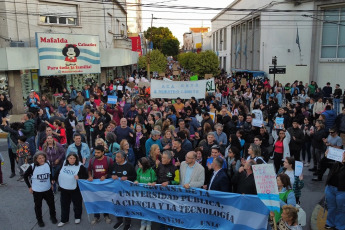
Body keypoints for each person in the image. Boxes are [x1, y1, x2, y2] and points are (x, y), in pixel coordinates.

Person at [23, 152, 57, 227]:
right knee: (38, 206)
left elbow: (50, 174)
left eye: (43, 158)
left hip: (47, 189)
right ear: (36, 159)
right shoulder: (32, 167)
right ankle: (39, 220)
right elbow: (25, 176)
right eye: (40, 158)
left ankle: (53, 216)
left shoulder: (47, 163)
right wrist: (29, 187)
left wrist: (51, 181)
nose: (42, 160)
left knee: (51, 204)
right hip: (37, 191)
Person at [55, 152, 88, 227]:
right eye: (70, 158)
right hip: (64, 189)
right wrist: (53, 179)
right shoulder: (63, 164)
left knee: (77, 204)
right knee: (64, 205)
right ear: (67, 159)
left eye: (74, 158)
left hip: (75, 189)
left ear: (76, 159)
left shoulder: (80, 166)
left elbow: (86, 176)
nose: (72, 160)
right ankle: (64, 219)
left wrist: (79, 177)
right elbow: (57, 172)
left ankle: (77, 217)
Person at [109, 151, 137, 230]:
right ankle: (120, 221)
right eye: (116, 156)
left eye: (118, 157)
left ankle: (128, 223)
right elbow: (108, 174)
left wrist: (127, 178)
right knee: (117, 205)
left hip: (126, 191)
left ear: (123, 158)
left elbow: (134, 176)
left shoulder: (130, 166)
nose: (115, 158)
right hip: (116, 190)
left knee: (126, 206)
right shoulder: (113, 165)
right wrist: (111, 176)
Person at [87, 145, 113, 225]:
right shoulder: (92, 160)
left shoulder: (109, 160)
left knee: (105, 200)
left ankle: (106, 215)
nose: (96, 154)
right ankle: (96, 216)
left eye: (98, 153)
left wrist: (105, 176)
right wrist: (90, 176)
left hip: (105, 184)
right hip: (95, 184)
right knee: (95, 200)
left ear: (103, 152)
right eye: (95, 152)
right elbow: (89, 170)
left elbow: (112, 172)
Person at [134, 157, 157, 230]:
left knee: (148, 209)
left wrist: (153, 183)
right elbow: (137, 179)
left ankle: (149, 224)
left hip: (150, 194)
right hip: (141, 194)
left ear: (143, 165)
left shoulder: (151, 171)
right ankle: (143, 224)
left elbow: (155, 181)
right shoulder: (139, 170)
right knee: (142, 209)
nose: (138, 164)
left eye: (139, 164)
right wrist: (136, 181)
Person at [324, 151, 345, 230]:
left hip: (342, 191)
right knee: (331, 207)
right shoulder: (336, 163)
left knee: (341, 209)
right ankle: (330, 223)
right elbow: (324, 164)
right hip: (330, 188)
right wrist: (326, 156)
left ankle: (340, 226)